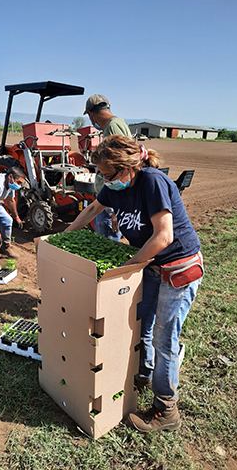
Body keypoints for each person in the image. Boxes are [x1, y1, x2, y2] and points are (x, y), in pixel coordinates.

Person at [65, 134, 203, 433]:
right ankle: (144, 373)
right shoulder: (114, 186)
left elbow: (164, 236)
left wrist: (127, 267)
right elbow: (91, 210)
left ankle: (167, 409)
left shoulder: (152, 182)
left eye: (109, 175)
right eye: (102, 175)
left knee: (164, 339)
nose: (106, 181)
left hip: (178, 268)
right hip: (151, 266)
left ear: (129, 166)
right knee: (141, 324)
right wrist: (63, 237)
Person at [84, 94, 132, 242]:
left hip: (110, 202)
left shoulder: (112, 128)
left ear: (91, 115)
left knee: (106, 245)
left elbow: (122, 168)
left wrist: (116, 210)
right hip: (109, 200)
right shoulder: (118, 123)